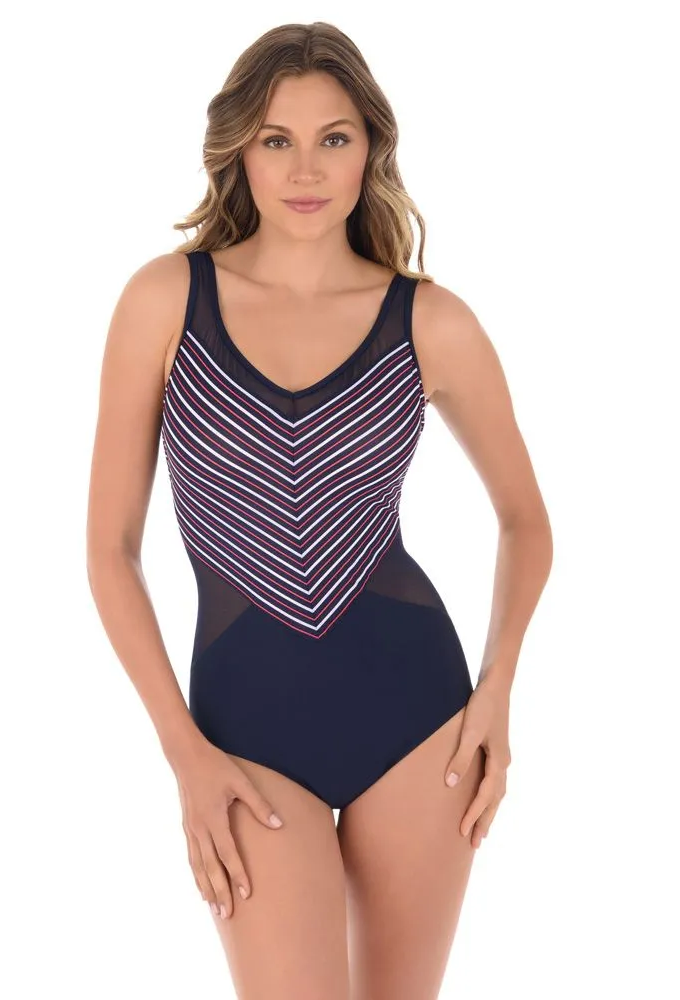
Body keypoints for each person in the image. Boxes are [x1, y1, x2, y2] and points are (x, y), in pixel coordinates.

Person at [86, 21, 553, 1000]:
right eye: (276, 139)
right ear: (238, 150)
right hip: (243, 733)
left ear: (369, 146)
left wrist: (497, 692)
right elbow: (110, 549)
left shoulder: (430, 321)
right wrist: (183, 753)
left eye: (332, 138)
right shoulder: (166, 302)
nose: (305, 169)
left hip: (420, 721)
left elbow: (523, 519)